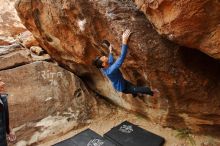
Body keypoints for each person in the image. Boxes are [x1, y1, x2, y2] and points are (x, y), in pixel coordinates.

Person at [93, 29, 158, 97]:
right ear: (103, 64)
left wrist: (110, 52)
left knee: (133, 87)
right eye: (102, 58)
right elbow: (121, 58)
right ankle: (152, 93)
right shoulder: (110, 71)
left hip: (122, 81)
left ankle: (134, 94)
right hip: (123, 88)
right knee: (141, 89)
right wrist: (124, 42)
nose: (103, 56)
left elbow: (110, 61)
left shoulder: (104, 67)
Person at [0, 78, 16, 146]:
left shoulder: (3, 99)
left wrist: (9, 130)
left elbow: (5, 118)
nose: (3, 83)